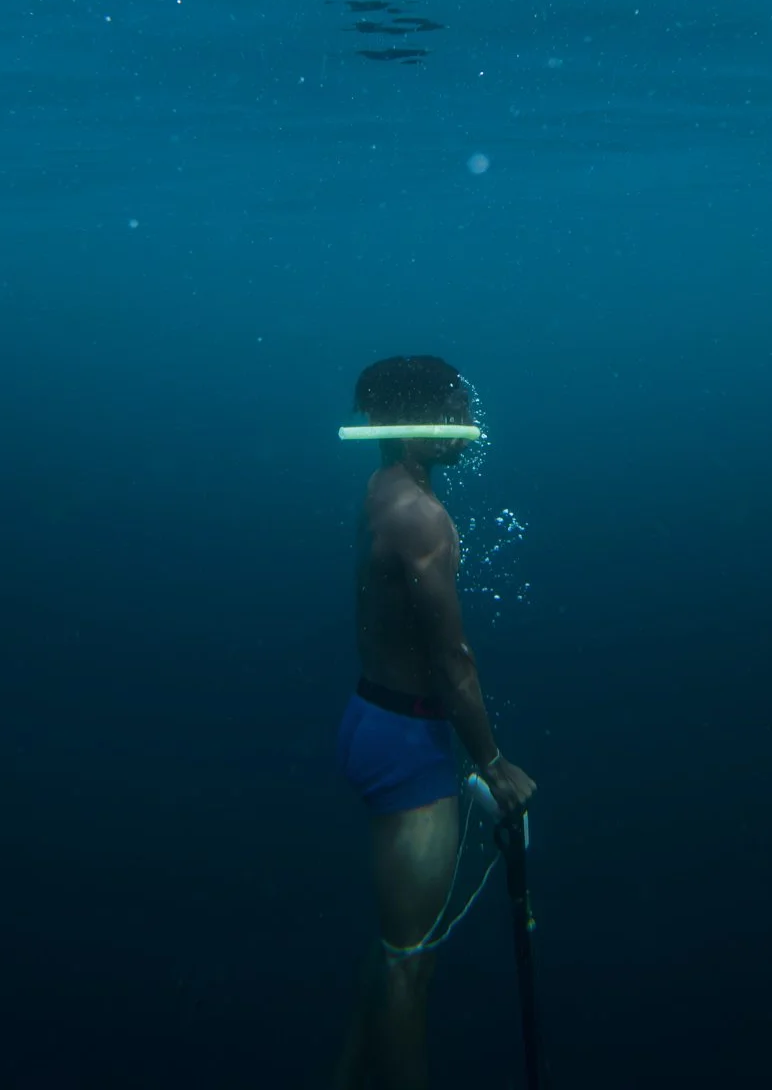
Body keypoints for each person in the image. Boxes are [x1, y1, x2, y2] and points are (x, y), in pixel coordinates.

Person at [335, 355, 536, 1090]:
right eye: (455, 409)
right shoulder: (423, 518)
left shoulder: (382, 490)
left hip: (373, 718)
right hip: (409, 739)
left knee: (395, 949)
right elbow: (453, 660)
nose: (469, 424)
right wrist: (493, 764)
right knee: (410, 967)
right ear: (415, 427)